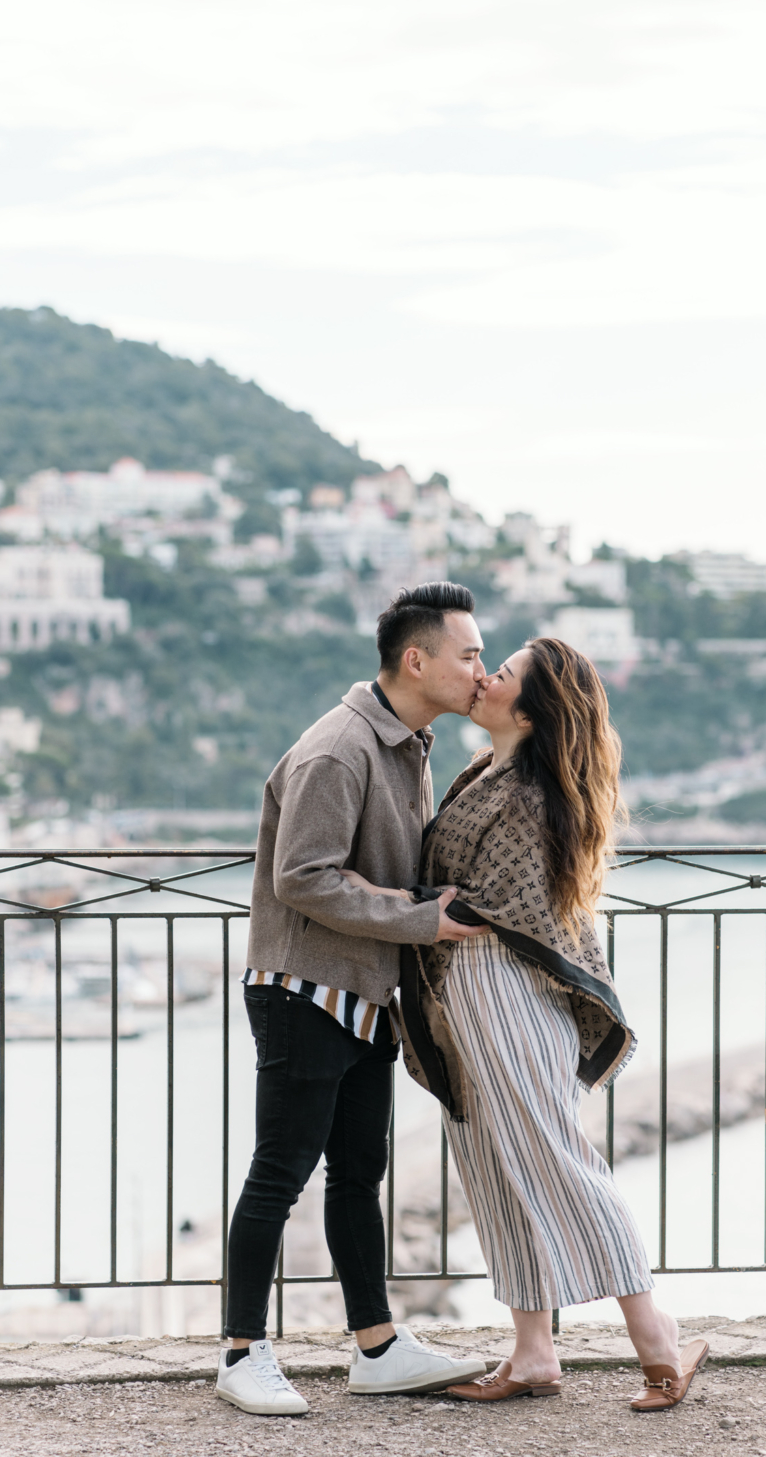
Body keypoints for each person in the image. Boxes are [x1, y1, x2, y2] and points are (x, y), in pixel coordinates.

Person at [342, 638, 709, 1411]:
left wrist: (407, 907)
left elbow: (503, 904)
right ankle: (533, 1352)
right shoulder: (488, 771)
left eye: (499, 674)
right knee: (490, 1164)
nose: (482, 678)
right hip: (460, 992)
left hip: (501, 985)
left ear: (532, 709)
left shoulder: (528, 791)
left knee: (553, 1160)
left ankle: (656, 1337)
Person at [216, 582, 492, 1418]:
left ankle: (374, 1346)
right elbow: (301, 877)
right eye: (470, 654)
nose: (481, 669)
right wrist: (419, 920)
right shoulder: (340, 749)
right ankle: (240, 1353)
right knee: (279, 1175)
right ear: (418, 660)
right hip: (305, 990)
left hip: (366, 989)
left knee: (358, 1174)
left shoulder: (408, 741)